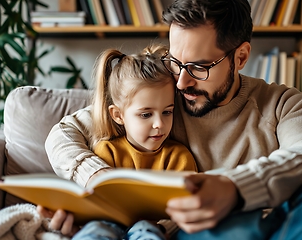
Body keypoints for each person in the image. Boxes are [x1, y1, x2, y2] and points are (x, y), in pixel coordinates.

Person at [42, 0, 302, 239]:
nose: (182, 82)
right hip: (214, 231)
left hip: (273, 221)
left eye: (200, 67)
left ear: (240, 57)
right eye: (176, 62)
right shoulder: (163, 98)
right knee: (235, 229)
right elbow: (64, 133)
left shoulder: (285, 103)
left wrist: (234, 189)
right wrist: (95, 180)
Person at [39, 44, 197, 240]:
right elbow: (94, 203)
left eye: (167, 112)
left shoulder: (179, 158)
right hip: (105, 224)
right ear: (118, 115)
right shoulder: (106, 151)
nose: (159, 124)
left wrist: (161, 227)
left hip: (153, 229)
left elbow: (184, 210)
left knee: (146, 231)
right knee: (96, 230)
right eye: (146, 114)